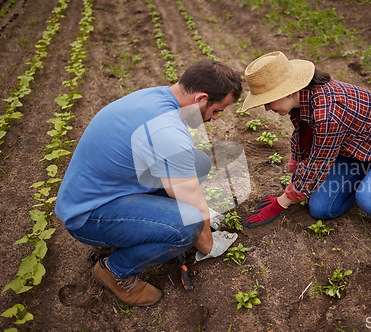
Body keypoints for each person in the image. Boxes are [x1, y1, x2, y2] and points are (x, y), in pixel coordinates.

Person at [55, 60, 242, 306]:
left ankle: (147, 225)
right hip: (89, 215)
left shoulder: (156, 97)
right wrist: (208, 244)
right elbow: (193, 204)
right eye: (216, 110)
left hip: (110, 189)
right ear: (200, 98)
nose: (215, 118)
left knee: (198, 163)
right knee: (187, 227)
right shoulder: (167, 131)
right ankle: (115, 271)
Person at [241, 51, 371, 237]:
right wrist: (296, 172)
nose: (266, 108)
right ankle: (370, 178)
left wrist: (280, 203)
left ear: (288, 92)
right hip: (357, 150)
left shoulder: (328, 113)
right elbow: (304, 138)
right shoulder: (303, 101)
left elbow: (318, 163)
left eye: (268, 101)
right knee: (321, 209)